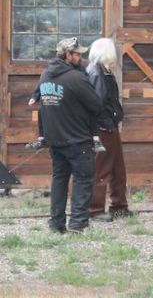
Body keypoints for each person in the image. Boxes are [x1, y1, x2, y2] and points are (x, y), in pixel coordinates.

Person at [39, 37, 102, 233]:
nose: (81, 58)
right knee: (83, 179)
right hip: (77, 139)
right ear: (68, 56)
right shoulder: (76, 78)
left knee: (59, 179)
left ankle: (56, 224)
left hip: (55, 139)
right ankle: (77, 224)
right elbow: (96, 105)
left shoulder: (45, 76)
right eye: (77, 54)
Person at [87, 38, 132, 222]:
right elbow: (96, 104)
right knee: (102, 169)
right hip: (103, 128)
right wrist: (106, 124)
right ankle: (95, 209)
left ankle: (119, 205)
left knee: (117, 169)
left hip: (109, 126)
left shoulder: (104, 72)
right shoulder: (96, 73)